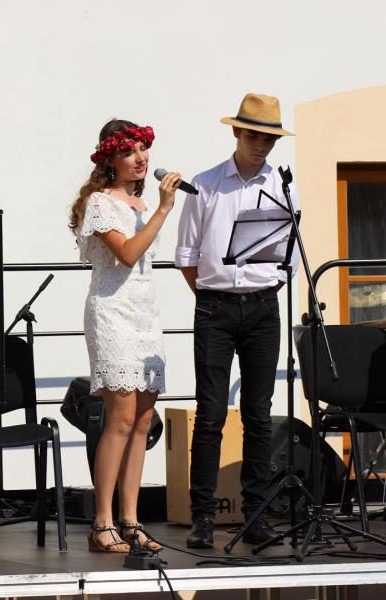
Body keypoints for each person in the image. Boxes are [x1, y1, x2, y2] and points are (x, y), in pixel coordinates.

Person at [175, 93, 299, 548]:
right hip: (216, 307)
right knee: (210, 414)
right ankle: (202, 518)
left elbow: (286, 254)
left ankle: (257, 515)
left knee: (259, 415)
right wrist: (215, 295)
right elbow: (187, 255)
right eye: (254, 136)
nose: (261, 145)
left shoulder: (283, 186)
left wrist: (259, 291)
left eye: (270, 139)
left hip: (263, 307)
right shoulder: (206, 184)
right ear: (236, 133)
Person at [70, 119, 181, 553]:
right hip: (112, 312)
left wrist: (154, 209)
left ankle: (131, 521)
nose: (140, 158)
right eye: (129, 151)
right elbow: (128, 254)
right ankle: (102, 523)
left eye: (143, 149)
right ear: (110, 158)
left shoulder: (139, 204)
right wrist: (164, 210)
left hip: (145, 314)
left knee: (142, 420)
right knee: (119, 417)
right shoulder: (100, 203)